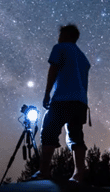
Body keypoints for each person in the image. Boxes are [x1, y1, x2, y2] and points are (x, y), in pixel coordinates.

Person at [33, 23, 91, 182]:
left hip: (63, 98)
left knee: (49, 130)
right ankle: (79, 173)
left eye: (60, 35)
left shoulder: (60, 48)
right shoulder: (83, 57)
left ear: (66, 36)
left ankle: (44, 171)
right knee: (76, 135)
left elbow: (53, 70)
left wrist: (46, 93)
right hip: (80, 102)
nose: (58, 38)